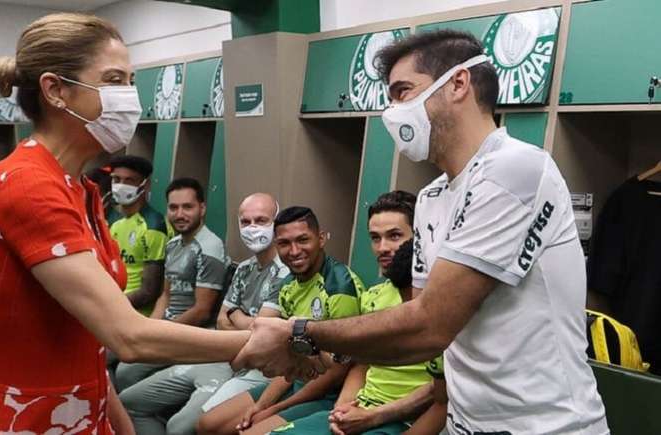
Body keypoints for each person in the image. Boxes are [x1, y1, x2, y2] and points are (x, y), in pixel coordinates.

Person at [233, 30, 609, 434]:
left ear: (459, 84)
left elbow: (429, 326)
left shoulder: (514, 169)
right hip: (467, 423)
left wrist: (299, 333)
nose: (393, 111)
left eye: (403, 91)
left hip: (544, 426)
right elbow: (424, 331)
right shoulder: (431, 198)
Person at [0, 13, 250, 434]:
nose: (129, 96)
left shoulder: (81, 190)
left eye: (130, 81)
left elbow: (85, 339)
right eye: (113, 81)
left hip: (81, 410)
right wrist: (260, 343)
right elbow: (128, 336)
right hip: (29, 418)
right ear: (55, 90)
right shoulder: (26, 185)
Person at [272, 192, 446, 435]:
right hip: (359, 408)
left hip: (405, 419)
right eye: (375, 238)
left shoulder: (447, 304)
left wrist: (372, 417)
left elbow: (441, 394)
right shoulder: (373, 297)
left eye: (394, 236)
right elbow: (360, 364)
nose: (383, 248)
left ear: (421, 236)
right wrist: (342, 410)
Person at [119, 193, 288, 435]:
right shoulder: (244, 268)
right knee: (129, 401)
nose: (252, 228)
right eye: (245, 222)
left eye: (261, 221)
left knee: (178, 428)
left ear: (277, 222)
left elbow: (260, 332)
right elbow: (221, 320)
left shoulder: (285, 271)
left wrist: (236, 315)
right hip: (222, 357)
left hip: (255, 369)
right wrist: (242, 321)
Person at [196, 206, 363, 435]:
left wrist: (275, 409)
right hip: (295, 380)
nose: (294, 251)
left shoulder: (339, 287)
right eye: (284, 243)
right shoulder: (288, 286)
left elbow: (337, 371)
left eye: (303, 240)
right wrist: (261, 405)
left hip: (327, 392)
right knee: (207, 425)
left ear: (321, 238)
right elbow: (290, 355)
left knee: (251, 432)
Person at [115, 177, 229, 392]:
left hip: (190, 334)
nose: (180, 214)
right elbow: (165, 296)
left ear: (202, 208)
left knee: (125, 370)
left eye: (188, 207)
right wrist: (150, 327)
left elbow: (201, 311)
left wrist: (159, 334)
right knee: (116, 352)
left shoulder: (209, 248)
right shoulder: (173, 244)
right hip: (165, 328)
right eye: (173, 208)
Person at [107, 155, 168, 316]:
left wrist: (109, 307)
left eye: (129, 181)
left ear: (145, 185)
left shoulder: (153, 225)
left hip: (136, 314)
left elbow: (149, 291)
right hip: (110, 307)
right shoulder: (114, 222)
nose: (121, 186)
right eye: (117, 179)